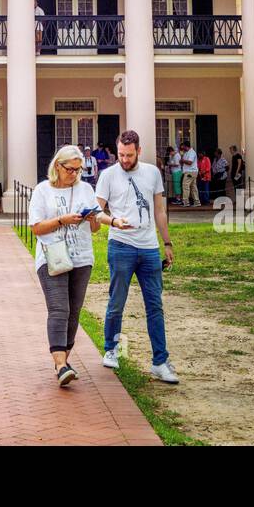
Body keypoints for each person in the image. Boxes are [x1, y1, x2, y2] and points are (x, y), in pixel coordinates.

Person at [30, 145, 120, 386]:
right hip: (52, 256)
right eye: (70, 169)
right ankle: (60, 364)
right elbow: (36, 228)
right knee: (59, 309)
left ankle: (65, 361)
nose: (74, 174)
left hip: (81, 257)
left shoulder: (85, 189)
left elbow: (95, 227)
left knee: (74, 311)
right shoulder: (42, 191)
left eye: (78, 170)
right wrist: (62, 220)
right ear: (57, 166)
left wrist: (93, 219)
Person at [95, 130, 178, 383]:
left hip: (149, 248)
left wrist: (166, 242)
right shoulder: (108, 175)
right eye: (121, 154)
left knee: (155, 305)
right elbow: (95, 212)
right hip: (120, 245)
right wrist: (113, 221)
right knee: (116, 301)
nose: (124, 159)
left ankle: (160, 361)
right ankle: (111, 348)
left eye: (129, 155)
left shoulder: (152, 173)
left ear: (139, 151)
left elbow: (159, 211)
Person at [180, 140, 199, 207]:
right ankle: (197, 202)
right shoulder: (186, 152)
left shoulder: (192, 152)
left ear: (186, 146)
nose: (182, 147)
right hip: (190, 171)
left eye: (183, 146)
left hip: (190, 171)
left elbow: (190, 162)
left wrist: (183, 160)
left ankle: (186, 202)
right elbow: (183, 161)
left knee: (185, 186)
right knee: (193, 187)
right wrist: (182, 159)